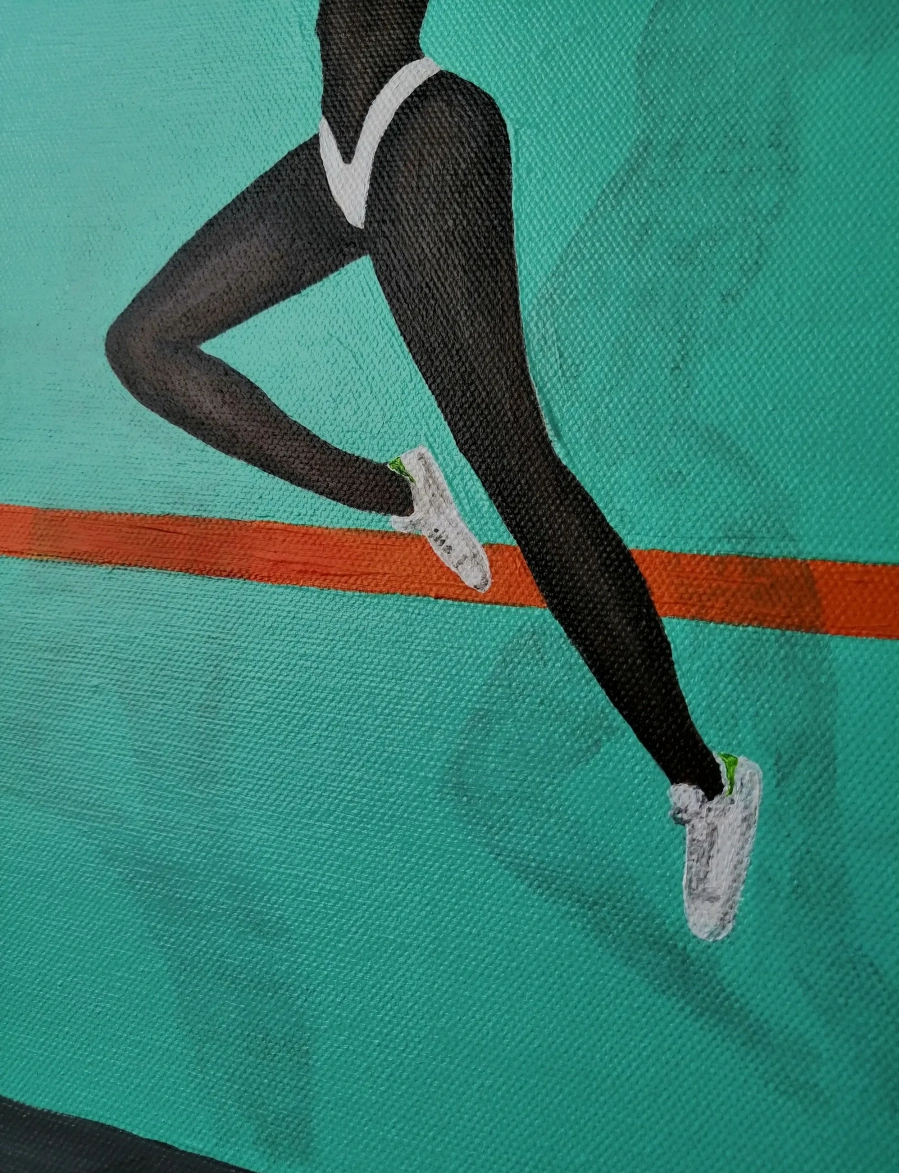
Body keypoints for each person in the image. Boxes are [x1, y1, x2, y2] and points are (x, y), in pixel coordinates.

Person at [105, 0, 761, 940]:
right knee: (144, 345)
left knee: (516, 468)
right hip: (342, 150)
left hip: (426, 133)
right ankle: (400, 492)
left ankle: (708, 785)